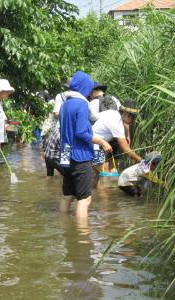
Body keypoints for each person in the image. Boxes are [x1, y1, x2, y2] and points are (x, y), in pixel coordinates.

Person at [59, 71, 112, 220]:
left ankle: (65, 230)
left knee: (67, 196)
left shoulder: (65, 104)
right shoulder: (81, 104)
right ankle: (82, 238)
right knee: (84, 200)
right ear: (84, 87)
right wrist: (102, 141)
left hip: (65, 153)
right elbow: (82, 133)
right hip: (79, 155)